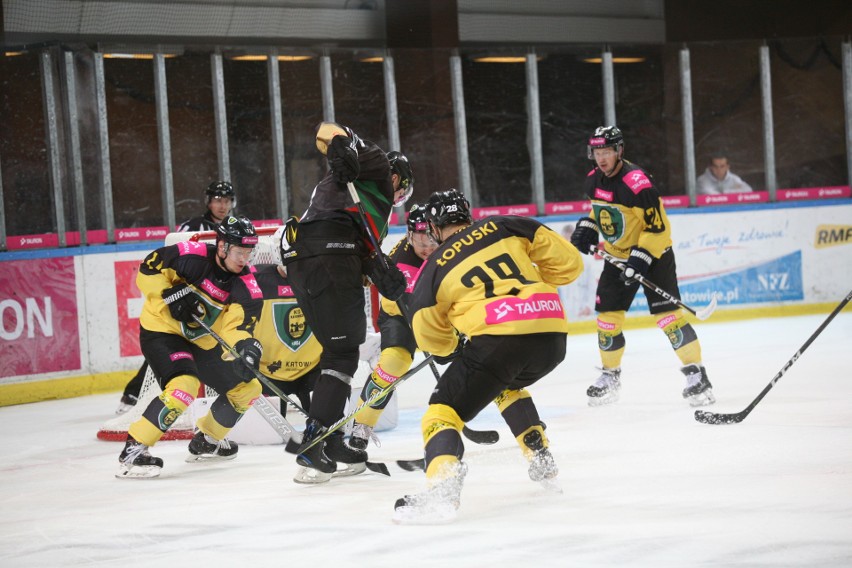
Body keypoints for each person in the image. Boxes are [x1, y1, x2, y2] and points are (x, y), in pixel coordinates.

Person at [393, 189, 585, 523]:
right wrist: (533, 288)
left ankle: (442, 489)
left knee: (441, 415)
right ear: (467, 215)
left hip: (499, 342)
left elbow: (427, 331)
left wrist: (453, 347)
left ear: (435, 228)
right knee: (502, 382)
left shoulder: (436, 265)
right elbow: (570, 263)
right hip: (552, 336)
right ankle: (539, 454)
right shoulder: (508, 225)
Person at [279, 122, 410, 483]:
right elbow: (330, 132)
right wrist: (344, 152)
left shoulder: (374, 211)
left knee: (336, 350)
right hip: (328, 252)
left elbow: (361, 246)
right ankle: (314, 440)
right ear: (398, 177)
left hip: (306, 259)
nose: (399, 198)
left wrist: (381, 271)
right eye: (403, 190)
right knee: (343, 353)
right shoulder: (379, 167)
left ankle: (332, 437)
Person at [569, 126, 716, 408]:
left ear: (619, 151)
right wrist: (588, 227)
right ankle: (610, 376)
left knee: (668, 318)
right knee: (607, 320)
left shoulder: (638, 184)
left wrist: (640, 258)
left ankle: (697, 375)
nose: (601, 159)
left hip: (654, 257)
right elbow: (600, 211)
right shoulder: (593, 180)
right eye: (597, 153)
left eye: (607, 152)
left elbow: (658, 228)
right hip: (616, 257)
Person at [116, 215, 264, 479]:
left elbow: (237, 327)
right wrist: (167, 296)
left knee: (248, 388)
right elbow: (148, 268)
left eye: (249, 252)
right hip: (163, 331)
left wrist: (247, 348)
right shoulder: (191, 255)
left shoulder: (247, 285)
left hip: (201, 342)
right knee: (184, 385)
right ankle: (135, 449)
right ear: (222, 247)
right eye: (240, 251)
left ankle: (207, 440)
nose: (244, 259)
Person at [115, 180, 239, 415]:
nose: (222, 205)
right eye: (217, 200)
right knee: (167, 343)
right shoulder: (192, 226)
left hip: (215, 297)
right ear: (208, 201)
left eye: (227, 200)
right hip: (184, 295)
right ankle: (133, 393)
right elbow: (176, 257)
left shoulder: (236, 227)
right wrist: (175, 293)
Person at [348, 202, 438, 452]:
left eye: (433, 239)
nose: (428, 247)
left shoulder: (448, 249)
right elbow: (407, 305)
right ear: (410, 235)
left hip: (438, 313)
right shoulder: (402, 260)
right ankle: (362, 426)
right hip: (400, 315)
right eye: (422, 240)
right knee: (392, 365)